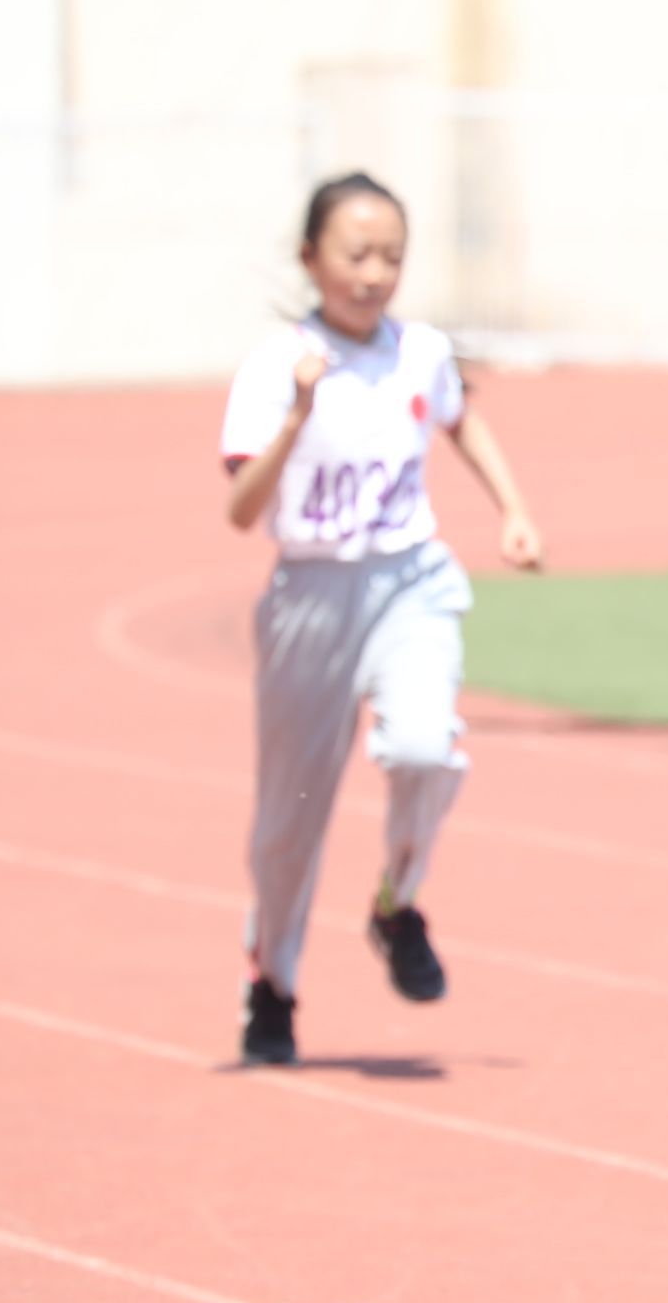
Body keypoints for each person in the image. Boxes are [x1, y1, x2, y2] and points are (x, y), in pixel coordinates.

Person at [220, 172, 545, 1064]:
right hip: (311, 597)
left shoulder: (421, 353)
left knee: (422, 749)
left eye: (391, 255)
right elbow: (241, 510)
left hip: (408, 580)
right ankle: (271, 985)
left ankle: (397, 901)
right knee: (292, 816)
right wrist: (295, 412)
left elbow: (461, 422)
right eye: (355, 253)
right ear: (311, 258)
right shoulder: (273, 366)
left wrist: (511, 508)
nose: (374, 272)